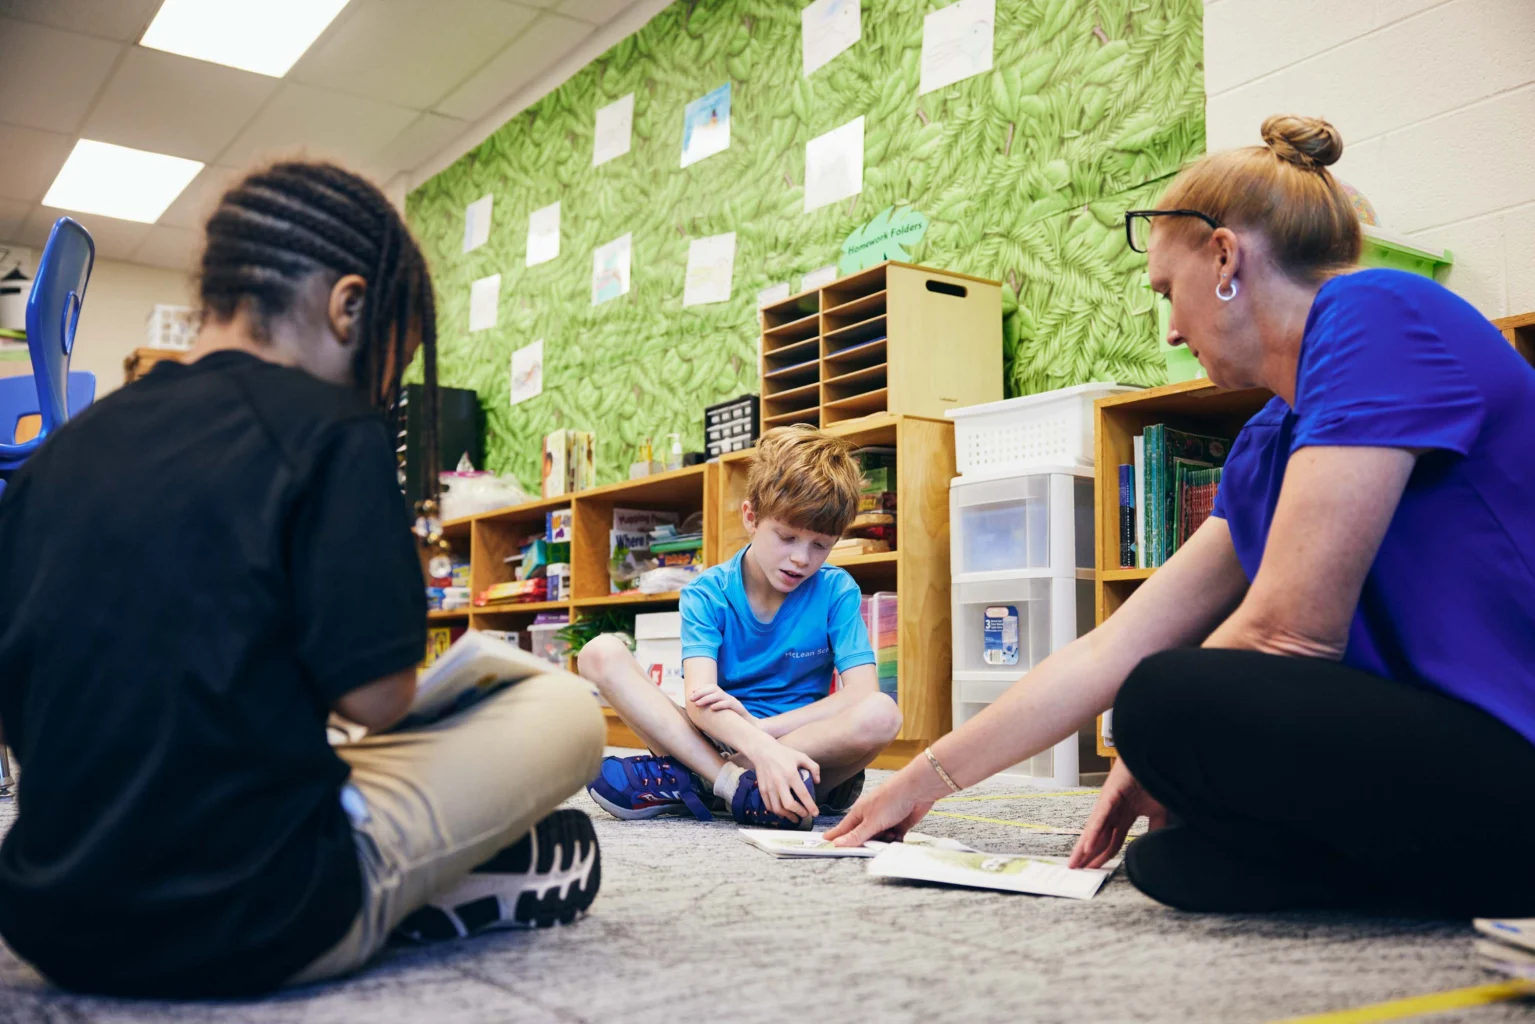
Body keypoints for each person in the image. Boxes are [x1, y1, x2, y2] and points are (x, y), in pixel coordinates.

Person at [829, 115, 1535, 918]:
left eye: (1168, 291)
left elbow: (1289, 633)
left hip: (1512, 742)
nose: (1169, 327)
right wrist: (924, 781)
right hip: (1442, 753)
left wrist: (1156, 743)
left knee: (1166, 697)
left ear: (1225, 258)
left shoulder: (1377, 310)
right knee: (1172, 861)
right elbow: (1117, 641)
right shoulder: (1271, 434)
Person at [0, 162, 605, 999]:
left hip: (52, 921)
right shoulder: (331, 428)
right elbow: (377, 701)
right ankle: (421, 891)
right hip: (262, 917)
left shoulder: (56, 457)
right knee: (565, 706)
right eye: (392, 361)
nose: (385, 391)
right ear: (348, 306)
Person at [579, 426, 902, 830]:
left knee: (883, 713)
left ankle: (699, 781)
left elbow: (862, 693)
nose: (801, 559)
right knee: (599, 653)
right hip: (714, 739)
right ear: (751, 517)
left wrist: (764, 735)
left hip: (798, 743)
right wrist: (751, 746)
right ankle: (735, 787)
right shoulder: (707, 592)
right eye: (787, 537)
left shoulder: (837, 589)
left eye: (820, 545)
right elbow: (700, 703)